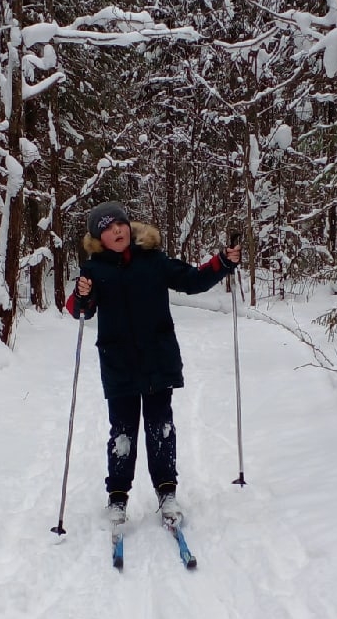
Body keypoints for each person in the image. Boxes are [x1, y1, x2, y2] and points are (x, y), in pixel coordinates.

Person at [65, 201, 241, 525]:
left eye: (119, 223)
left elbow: (192, 280)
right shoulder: (95, 271)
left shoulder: (153, 260)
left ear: (128, 227)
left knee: (161, 429)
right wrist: (83, 294)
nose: (116, 230)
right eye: (107, 228)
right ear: (98, 238)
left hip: (158, 361)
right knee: (122, 434)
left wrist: (222, 264)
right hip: (118, 364)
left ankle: (167, 493)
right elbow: (79, 310)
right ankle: (117, 499)